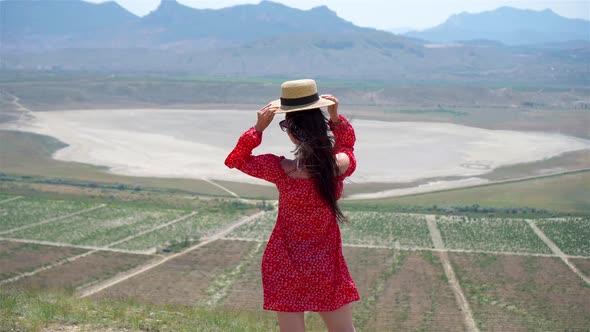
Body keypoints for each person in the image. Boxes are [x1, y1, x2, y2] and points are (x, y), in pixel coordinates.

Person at [224, 79, 359, 332]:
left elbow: (236, 160)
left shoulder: (281, 170)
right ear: (321, 127)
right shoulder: (337, 166)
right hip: (325, 261)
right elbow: (348, 147)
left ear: (292, 131)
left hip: (283, 260)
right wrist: (336, 118)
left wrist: (258, 128)